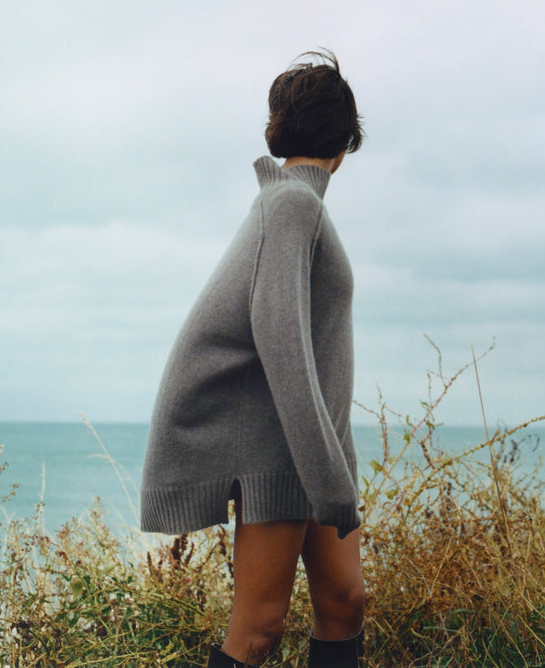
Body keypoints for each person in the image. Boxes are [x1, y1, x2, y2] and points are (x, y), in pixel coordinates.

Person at [140, 49, 366, 668]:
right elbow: (282, 344)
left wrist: (334, 462)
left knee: (345, 603)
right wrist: (327, 477)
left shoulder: (292, 205)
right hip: (282, 452)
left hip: (312, 449)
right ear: (346, 140)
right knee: (258, 631)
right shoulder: (290, 206)